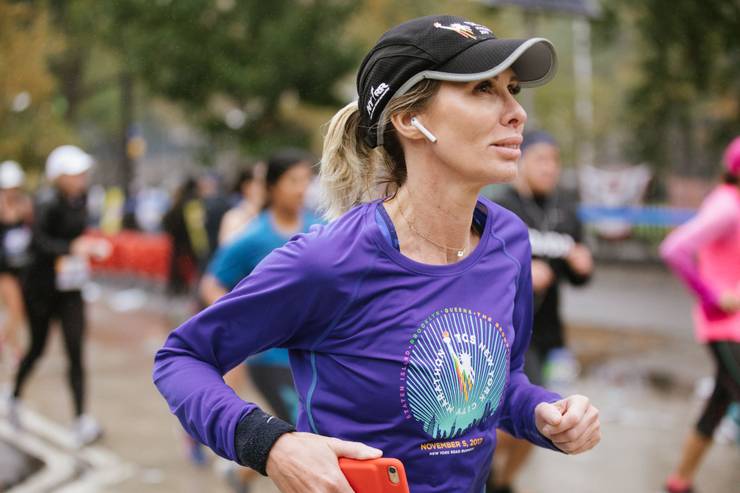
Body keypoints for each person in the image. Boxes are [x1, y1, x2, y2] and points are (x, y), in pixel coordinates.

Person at [154, 15, 601, 493]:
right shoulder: (330, 261)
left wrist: (542, 413)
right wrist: (272, 445)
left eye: (513, 89)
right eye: (482, 90)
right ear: (410, 120)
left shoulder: (509, 240)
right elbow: (182, 358)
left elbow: (499, 382)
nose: (517, 113)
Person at [200, 149, 320, 491]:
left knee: (307, 431)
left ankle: (240, 474)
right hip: (270, 357)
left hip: (314, 355)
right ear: (271, 187)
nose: (301, 189)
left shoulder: (321, 228)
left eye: (305, 180)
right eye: (292, 180)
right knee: (302, 434)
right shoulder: (253, 237)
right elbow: (211, 284)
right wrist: (242, 324)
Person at [488, 131, 593, 492]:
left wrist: (582, 266)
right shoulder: (502, 206)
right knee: (513, 422)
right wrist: (525, 271)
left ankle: (504, 481)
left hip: (550, 332)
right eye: (541, 160)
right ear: (521, 161)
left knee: (546, 421)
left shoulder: (563, 208)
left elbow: (578, 271)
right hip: (512, 331)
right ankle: (483, 468)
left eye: (555, 160)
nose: (550, 168)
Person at [11, 145, 110, 446]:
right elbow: (39, 243)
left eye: (83, 172)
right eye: (75, 173)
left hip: (71, 288)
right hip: (41, 289)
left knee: (75, 350)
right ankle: (13, 396)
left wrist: (88, 247)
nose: (81, 177)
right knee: (38, 347)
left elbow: (78, 237)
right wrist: (72, 248)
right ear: (60, 176)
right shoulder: (46, 201)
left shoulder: (81, 200)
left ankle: (80, 419)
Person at [660, 136, 740, 493]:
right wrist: (712, 297)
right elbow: (674, 248)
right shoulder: (727, 207)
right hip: (726, 328)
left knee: (719, 403)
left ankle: (680, 482)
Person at [0, 161, 33, 365]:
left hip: (21, 265)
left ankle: (15, 347)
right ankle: (9, 343)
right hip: (4, 267)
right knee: (15, 308)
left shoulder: (24, 203)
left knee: (17, 311)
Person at [218, 163, 266, 246]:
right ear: (246, 186)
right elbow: (228, 251)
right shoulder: (234, 218)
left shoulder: (274, 215)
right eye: (261, 181)